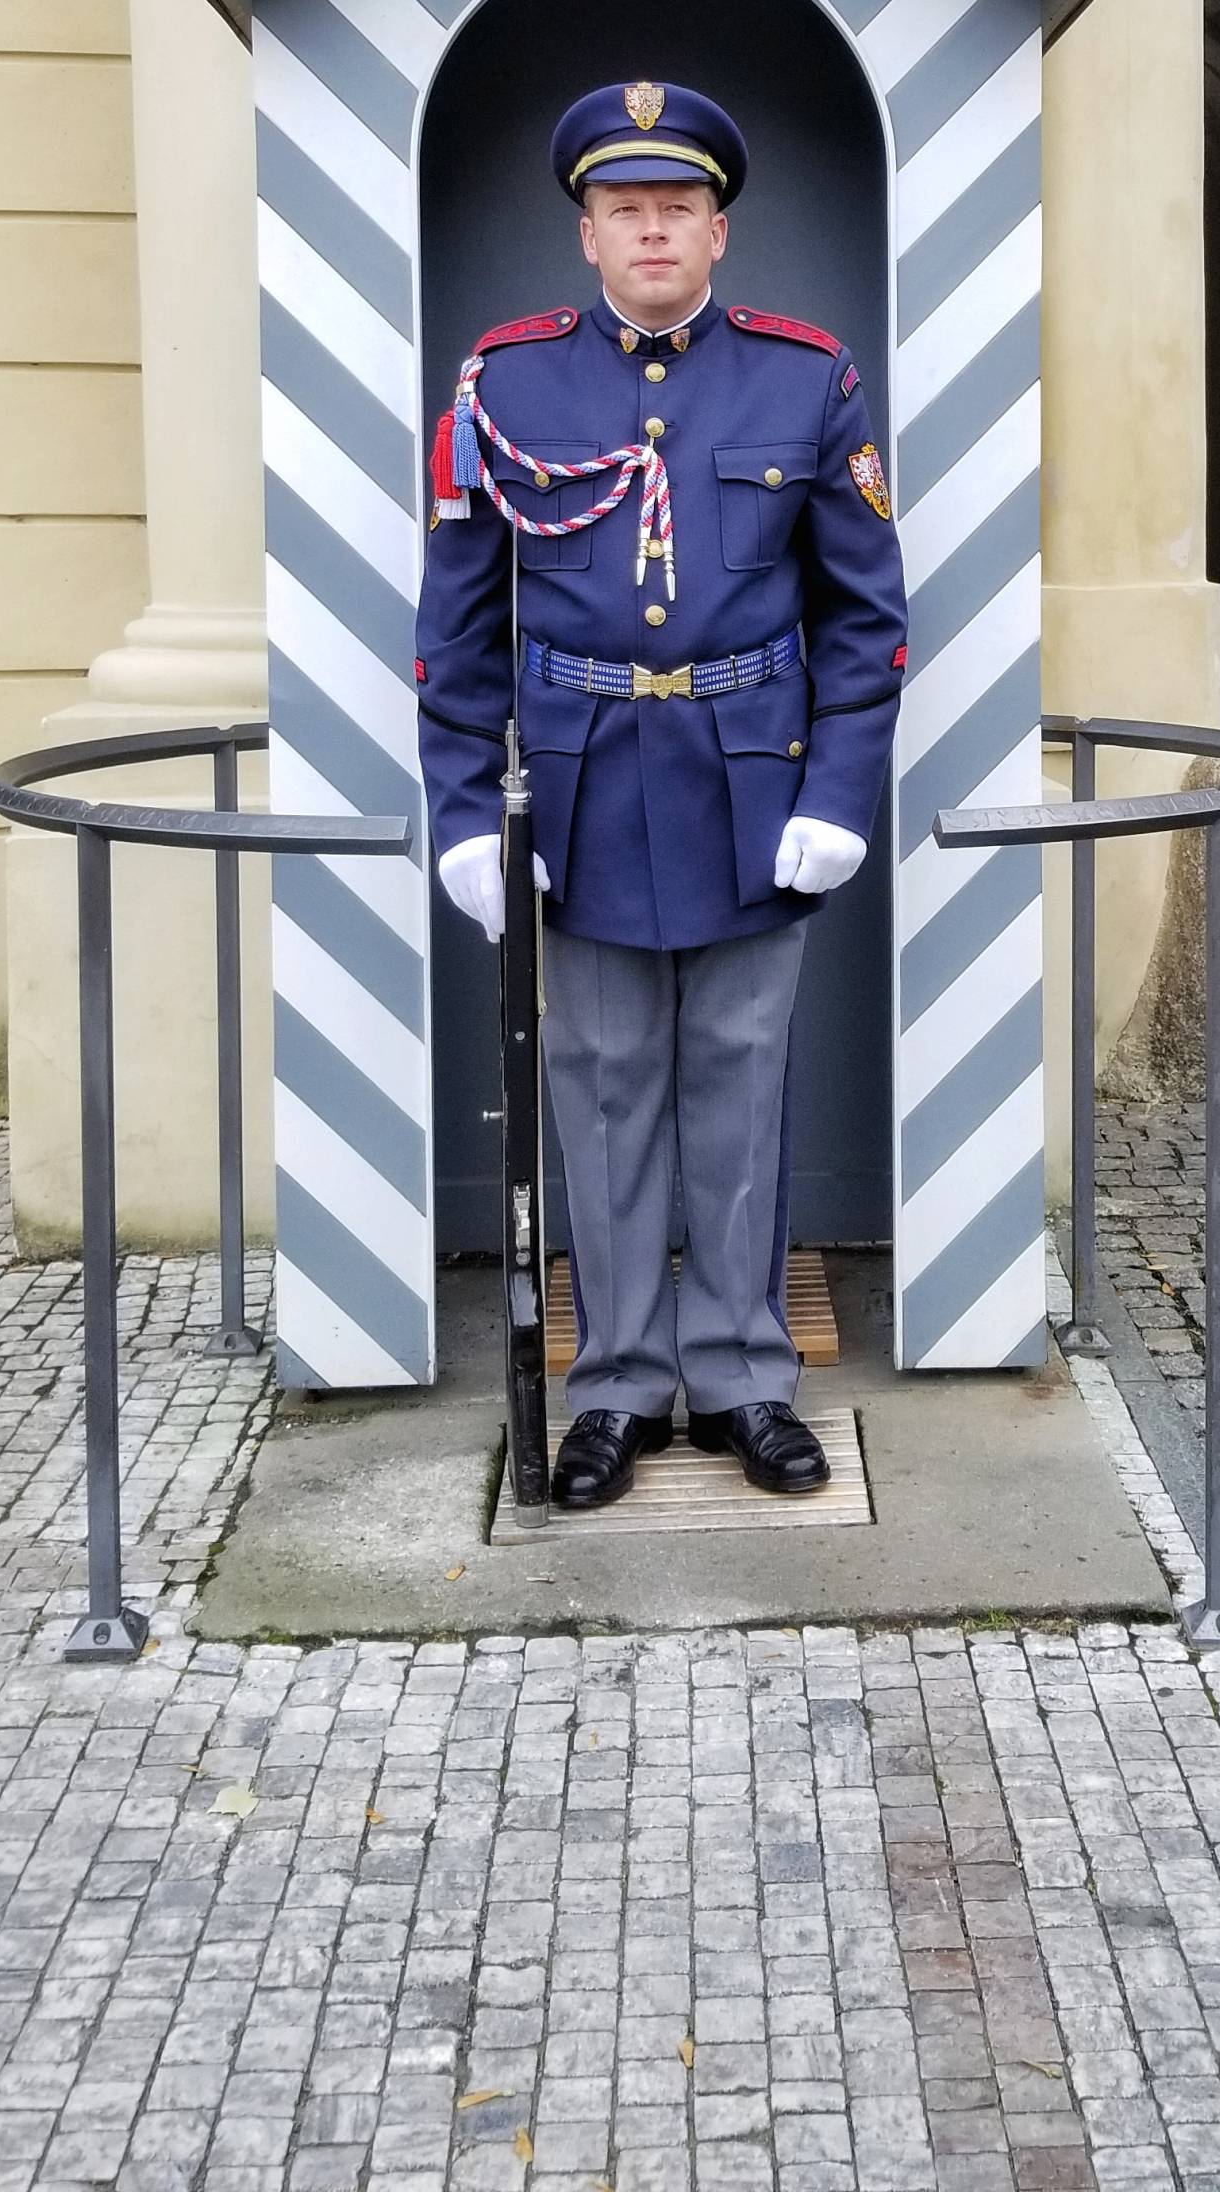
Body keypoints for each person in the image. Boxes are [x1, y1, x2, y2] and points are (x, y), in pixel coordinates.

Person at [415, 81, 909, 1509]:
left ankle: (747, 1377)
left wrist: (840, 791)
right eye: (623, 208)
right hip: (575, 801)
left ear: (718, 230)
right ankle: (620, 1387)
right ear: (585, 234)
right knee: (605, 1093)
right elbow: (458, 628)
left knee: (742, 1091)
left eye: (676, 207)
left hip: (754, 791)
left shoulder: (807, 381)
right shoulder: (504, 386)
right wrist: (466, 814)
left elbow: (866, 618)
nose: (651, 230)